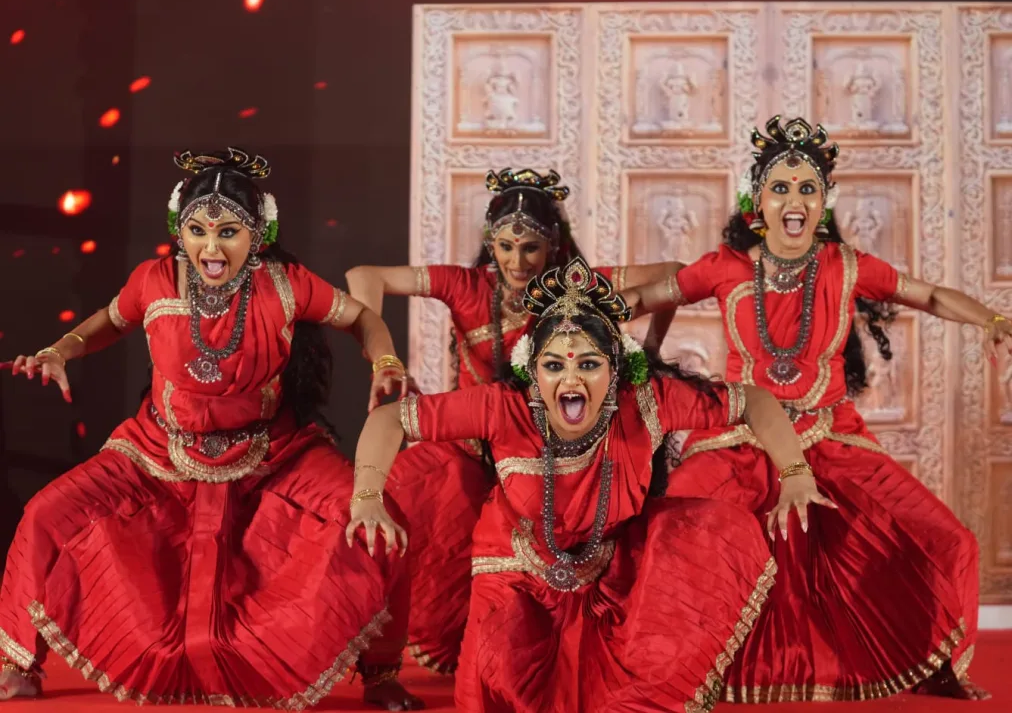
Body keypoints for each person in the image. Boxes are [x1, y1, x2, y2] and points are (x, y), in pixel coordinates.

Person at [0, 148, 423, 710]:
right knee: (47, 514)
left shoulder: (286, 284)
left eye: (228, 232)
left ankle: (381, 673)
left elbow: (363, 317)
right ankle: (19, 664)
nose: (211, 248)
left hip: (272, 453)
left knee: (381, 522)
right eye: (197, 231)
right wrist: (61, 349)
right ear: (179, 230)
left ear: (259, 234)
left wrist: (386, 362)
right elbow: (110, 320)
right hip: (158, 451)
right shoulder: (154, 281)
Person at [627, 116, 1012, 702]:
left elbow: (931, 294)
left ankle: (928, 660)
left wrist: (990, 319)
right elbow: (649, 295)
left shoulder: (847, 266)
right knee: (674, 533)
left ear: (823, 201)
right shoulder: (726, 267)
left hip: (830, 435)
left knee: (945, 540)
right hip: (739, 441)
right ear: (757, 202)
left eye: (807, 188)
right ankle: (667, 670)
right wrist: (578, 318)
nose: (794, 200)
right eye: (780, 188)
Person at [344, 257, 827, 712]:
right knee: (499, 683)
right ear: (532, 371)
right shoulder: (504, 406)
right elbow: (390, 419)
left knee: (711, 539)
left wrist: (795, 475)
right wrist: (367, 496)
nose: (571, 380)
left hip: (611, 569)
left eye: (589, 365)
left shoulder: (648, 401)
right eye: (554, 366)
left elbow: (753, 401)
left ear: (615, 369)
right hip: (517, 568)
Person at [345, 168, 681, 672]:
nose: (516, 261)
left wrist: (645, 347)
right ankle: (391, 670)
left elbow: (673, 274)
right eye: (505, 246)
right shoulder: (466, 286)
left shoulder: (575, 286)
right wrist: (385, 361)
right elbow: (363, 277)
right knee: (398, 515)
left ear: (554, 245)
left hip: (541, 458)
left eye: (530, 248)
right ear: (490, 243)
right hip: (471, 447)